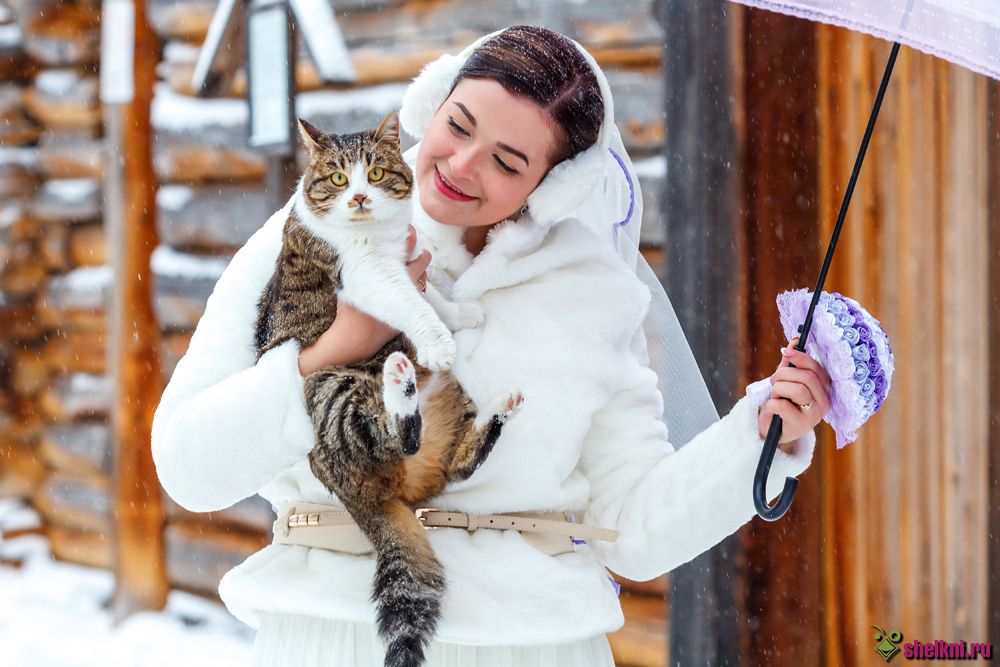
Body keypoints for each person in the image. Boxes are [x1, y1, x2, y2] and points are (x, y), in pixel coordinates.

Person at [151, 25, 832, 667]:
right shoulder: (306, 234)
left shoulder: (593, 294)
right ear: (432, 103)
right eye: (458, 126)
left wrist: (761, 436)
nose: (462, 165)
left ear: (553, 184)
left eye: (507, 161)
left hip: (535, 646)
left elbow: (634, 530)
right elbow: (188, 465)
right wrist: (340, 343)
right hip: (334, 636)